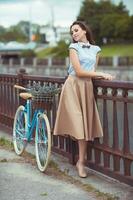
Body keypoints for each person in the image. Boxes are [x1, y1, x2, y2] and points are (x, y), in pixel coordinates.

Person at [53, 21, 113, 178]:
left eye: (76, 30)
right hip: (73, 86)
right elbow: (79, 71)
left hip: (86, 88)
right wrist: (102, 73)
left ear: (85, 30)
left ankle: (81, 161)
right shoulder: (73, 48)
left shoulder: (96, 50)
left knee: (85, 126)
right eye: (72, 32)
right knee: (79, 121)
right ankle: (80, 160)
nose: (74, 34)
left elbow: (91, 71)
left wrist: (99, 75)